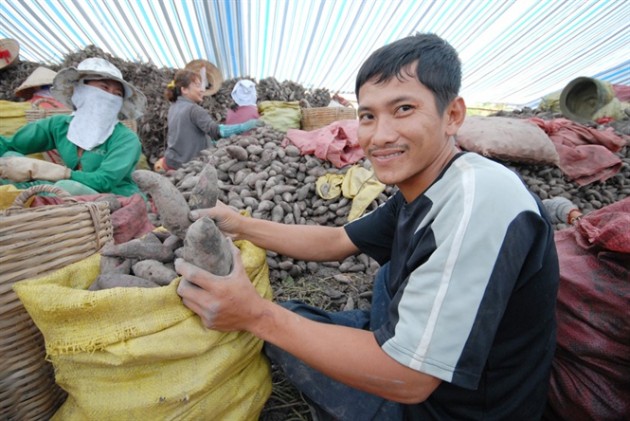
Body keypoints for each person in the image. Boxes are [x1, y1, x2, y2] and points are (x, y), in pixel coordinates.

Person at [176, 33, 560, 420]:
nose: (380, 136)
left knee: (276, 327)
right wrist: (240, 225)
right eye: (368, 116)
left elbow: (411, 378)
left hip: (449, 407)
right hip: (410, 355)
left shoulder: (479, 200)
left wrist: (255, 315)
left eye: (404, 109)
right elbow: (337, 240)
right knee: (297, 315)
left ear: (453, 116)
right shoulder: (424, 186)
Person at [0, 57, 147, 197]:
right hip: (70, 192)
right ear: (80, 89)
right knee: (8, 159)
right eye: (103, 87)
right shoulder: (59, 125)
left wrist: (58, 173)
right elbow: (11, 144)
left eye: (117, 94)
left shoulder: (126, 139)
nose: (110, 97)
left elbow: (104, 181)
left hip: (114, 198)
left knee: (67, 187)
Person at [157, 69, 261, 172]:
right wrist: (244, 126)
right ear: (184, 90)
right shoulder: (194, 110)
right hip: (188, 165)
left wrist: (209, 140)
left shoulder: (173, 107)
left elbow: (187, 132)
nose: (202, 90)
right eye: (197, 86)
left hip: (171, 160)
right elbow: (216, 131)